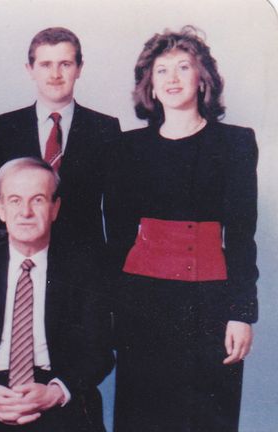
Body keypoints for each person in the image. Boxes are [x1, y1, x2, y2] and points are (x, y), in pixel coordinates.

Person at [105, 26, 258, 431]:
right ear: (150, 86)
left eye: (183, 67)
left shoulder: (236, 144)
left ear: (202, 78)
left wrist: (241, 313)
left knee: (207, 417)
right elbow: (117, 236)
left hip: (210, 303)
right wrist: (111, 310)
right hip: (142, 305)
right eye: (161, 71)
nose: (172, 79)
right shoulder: (128, 147)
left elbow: (242, 234)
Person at [0, 158, 114, 432]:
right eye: (14, 200)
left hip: (55, 386)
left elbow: (99, 353)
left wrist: (56, 392)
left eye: (37, 200)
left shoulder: (82, 270)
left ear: (55, 208)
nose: (25, 212)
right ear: (0, 209)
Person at [0, 27, 120, 262]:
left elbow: (117, 210)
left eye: (65, 64)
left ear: (79, 68)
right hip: (18, 260)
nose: (55, 74)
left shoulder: (105, 129)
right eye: (45, 65)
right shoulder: (5, 127)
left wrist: (109, 266)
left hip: (84, 263)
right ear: (30, 70)